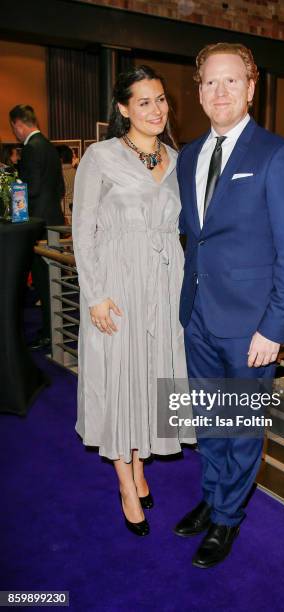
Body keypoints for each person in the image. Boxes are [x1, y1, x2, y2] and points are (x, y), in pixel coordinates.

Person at [174, 43, 284, 568]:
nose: (220, 91)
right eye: (210, 82)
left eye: (232, 81)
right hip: (200, 317)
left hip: (252, 327)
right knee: (209, 421)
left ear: (251, 88)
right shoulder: (188, 155)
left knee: (241, 427)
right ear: (200, 91)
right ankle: (212, 498)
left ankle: (229, 517)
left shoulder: (276, 153)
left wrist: (275, 328)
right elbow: (196, 238)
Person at [72, 66, 195, 537]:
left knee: (150, 375)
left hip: (165, 287)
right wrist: (95, 294)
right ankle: (126, 483)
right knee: (121, 378)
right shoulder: (100, 158)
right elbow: (83, 231)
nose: (156, 109)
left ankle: (140, 465)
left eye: (161, 99)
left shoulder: (176, 158)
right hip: (118, 285)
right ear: (123, 108)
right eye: (144, 102)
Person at [9, 104, 65, 349]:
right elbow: (60, 188)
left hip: (38, 225)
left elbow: (30, 189)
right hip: (53, 221)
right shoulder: (50, 146)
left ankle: (49, 335)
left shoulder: (31, 149)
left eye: (14, 129)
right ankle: (54, 330)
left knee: (44, 282)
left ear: (18, 124)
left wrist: (14, 188)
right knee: (53, 280)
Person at [56, 144, 76, 224]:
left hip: (62, 214)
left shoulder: (57, 174)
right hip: (77, 212)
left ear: (60, 159)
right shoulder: (78, 172)